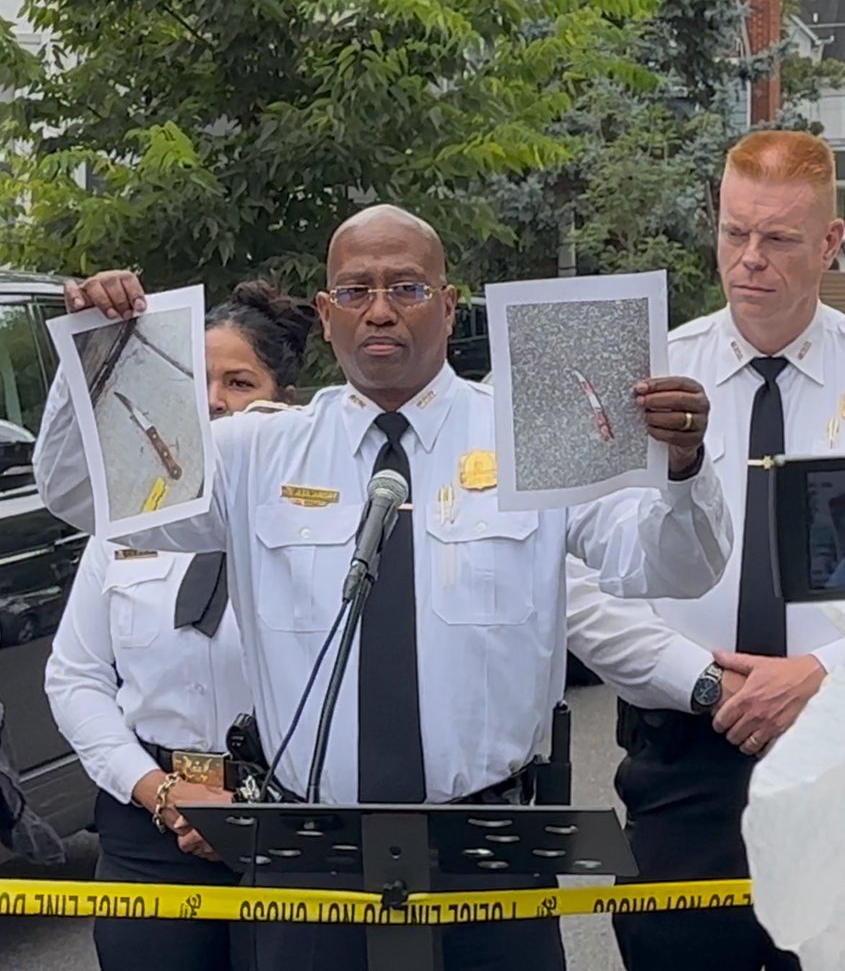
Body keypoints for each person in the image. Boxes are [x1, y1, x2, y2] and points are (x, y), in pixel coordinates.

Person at [35, 204, 731, 971]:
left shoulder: (529, 433)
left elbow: (672, 568)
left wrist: (684, 466)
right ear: (326, 315)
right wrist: (102, 354)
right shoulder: (257, 451)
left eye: (406, 288)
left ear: (448, 303)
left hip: (487, 851)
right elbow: (86, 500)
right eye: (356, 290)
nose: (380, 310)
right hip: (312, 854)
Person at [566, 129, 845, 971]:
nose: (750, 259)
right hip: (683, 747)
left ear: (830, 242)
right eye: (734, 232)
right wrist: (701, 679)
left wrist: (825, 674)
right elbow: (577, 574)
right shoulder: (648, 381)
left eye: (779, 238)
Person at [45, 280, 316, 971]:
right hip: (150, 834)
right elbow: (75, 675)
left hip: (293, 832)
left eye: (238, 380)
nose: (214, 401)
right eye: (196, 381)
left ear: (282, 400)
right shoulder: (130, 520)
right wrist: (160, 792)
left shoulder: (319, 522)